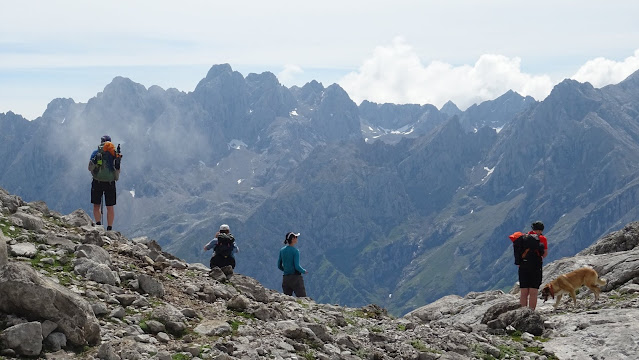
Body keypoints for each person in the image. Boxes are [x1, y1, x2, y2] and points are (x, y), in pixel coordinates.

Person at [88, 135, 121, 231]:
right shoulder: (114, 154)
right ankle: (109, 229)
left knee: (96, 204)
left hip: (97, 181)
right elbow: (118, 169)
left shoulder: (96, 152)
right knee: (110, 207)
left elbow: (89, 167)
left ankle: (98, 226)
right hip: (110, 183)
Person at [519, 221, 548, 309]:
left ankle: (522, 313)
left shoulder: (523, 237)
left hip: (523, 266)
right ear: (541, 230)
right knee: (533, 292)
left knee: (524, 293)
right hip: (536, 267)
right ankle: (531, 313)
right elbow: (545, 253)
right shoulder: (542, 238)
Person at [277, 232, 307, 297]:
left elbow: (279, 265)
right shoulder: (295, 251)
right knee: (303, 299)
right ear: (293, 239)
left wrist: (286, 270)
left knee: (287, 299)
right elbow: (297, 266)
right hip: (295, 278)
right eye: (296, 237)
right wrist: (303, 271)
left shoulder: (282, 250)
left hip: (285, 278)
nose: (297, 238)